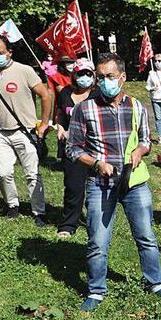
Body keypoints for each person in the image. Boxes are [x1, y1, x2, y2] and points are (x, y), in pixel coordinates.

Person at [66, 52, 161, 311]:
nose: (105, 81)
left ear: (123, 77)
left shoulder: (137, 107)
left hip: (133, 184)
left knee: (146, 236)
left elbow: (146, 140)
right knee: (98, 240)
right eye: (100, 77)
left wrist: (140, 151)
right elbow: (72, 149)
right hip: (100, 186)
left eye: (110, 76)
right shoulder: (85, 109)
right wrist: (96, 164)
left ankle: (156, 283)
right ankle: (96, 290)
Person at [0, 34, 51, 224]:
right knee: (2, 172)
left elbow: (45, 95)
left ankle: (38, 212)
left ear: (9, 52)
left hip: (24, 131)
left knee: (32, 173)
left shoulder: (24, 71)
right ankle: (12, 205)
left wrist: (43, 124)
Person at [55, 58, 97, 238]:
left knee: (96, 188)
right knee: (73, 186)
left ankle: (95, 223)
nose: (85, 77)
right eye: (81, 73)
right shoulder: (65, 93)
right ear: (74, 75)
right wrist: (60, 128)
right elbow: (59, 114)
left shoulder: (99, 94)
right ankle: (69, 223)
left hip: (93, 147)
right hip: (72, 148)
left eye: (89, 73)